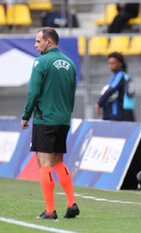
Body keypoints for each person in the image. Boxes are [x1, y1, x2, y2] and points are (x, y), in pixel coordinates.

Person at [21, 27, 79, 219]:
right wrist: (66, 114)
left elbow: (33, 92)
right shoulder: (70, 64)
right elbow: (71, 93)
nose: (35, 45)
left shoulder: (40, 62)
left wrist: (26, 115)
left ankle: (50, 210)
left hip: (45, 119)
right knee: (58, 161)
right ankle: (71, 203)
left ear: (49, 42)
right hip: (63, 119)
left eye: (38, 41)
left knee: (44, 164)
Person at [95, 52, 126, 121]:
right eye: (109, 63)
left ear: (120, 64)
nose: (110, 66)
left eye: (113, 63)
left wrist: (99, 104)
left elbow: (111, 90)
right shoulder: (114, 76)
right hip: (108, 113)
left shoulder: (120, 75)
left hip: (115, 114)